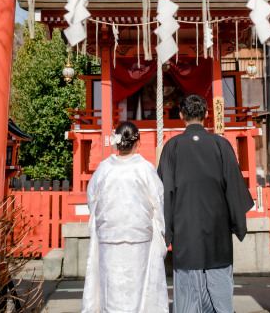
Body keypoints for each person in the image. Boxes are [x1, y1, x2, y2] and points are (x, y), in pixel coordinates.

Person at [157, 94, 254, 313]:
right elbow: (235, 189)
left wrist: (167, 231)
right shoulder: (222, 145)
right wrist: (238, 224)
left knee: (188, 299)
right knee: (221, 295)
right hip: (217, 231)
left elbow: (164, 192)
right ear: (207, 115)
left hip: (185, 231)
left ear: (181, 116)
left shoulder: (172, 147)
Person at [81, 121, 168, 313]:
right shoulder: (145, 169)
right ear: (138, 142)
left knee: (110, 289)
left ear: (116, 142)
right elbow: (158, 202)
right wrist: (162, 230)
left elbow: (92, 202)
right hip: (139, 239)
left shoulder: (103, 169)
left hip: (109, 238)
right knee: (139, 290)